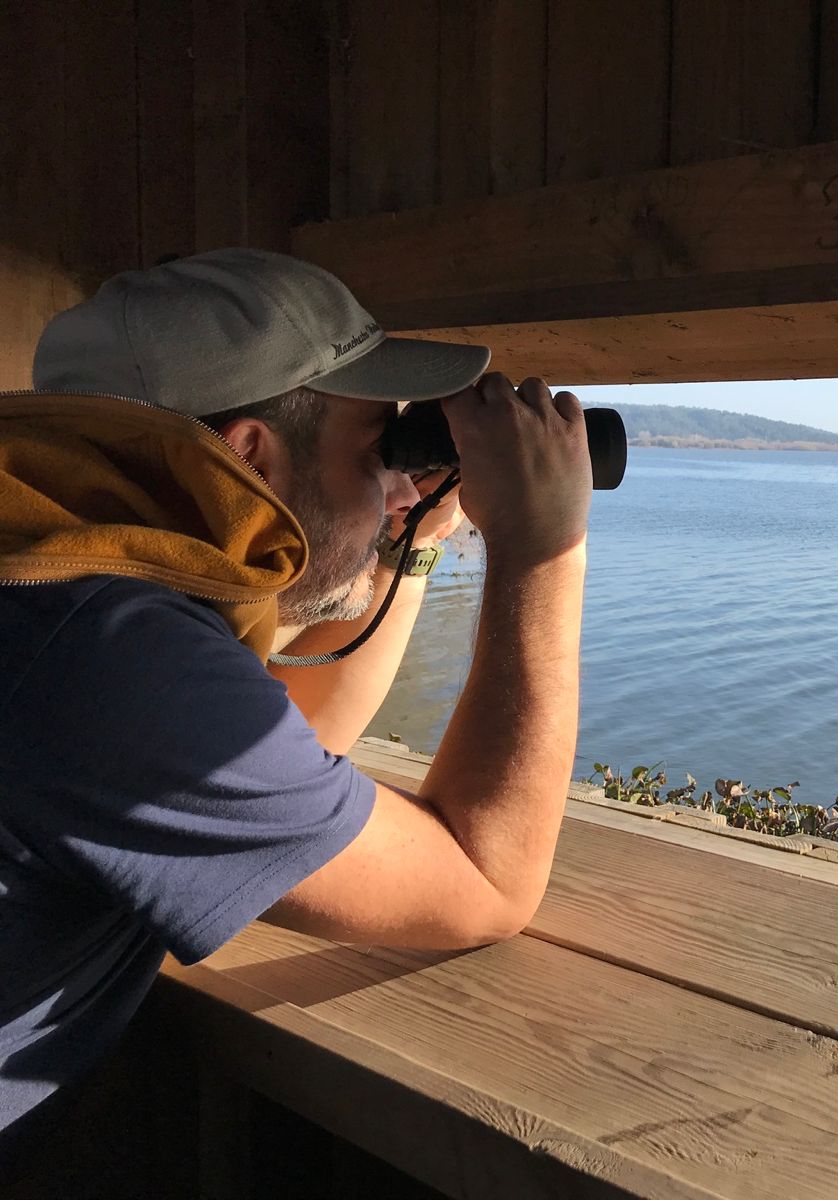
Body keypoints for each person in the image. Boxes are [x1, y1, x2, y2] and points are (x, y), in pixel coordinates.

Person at [0, 248, 591, 1164]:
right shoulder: (108, 653)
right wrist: (543, 543)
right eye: (377, 451)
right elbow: (484, 881)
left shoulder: (55, 558)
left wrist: (405, 542)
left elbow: (284, 752)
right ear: (249, 455)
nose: (401, 483)